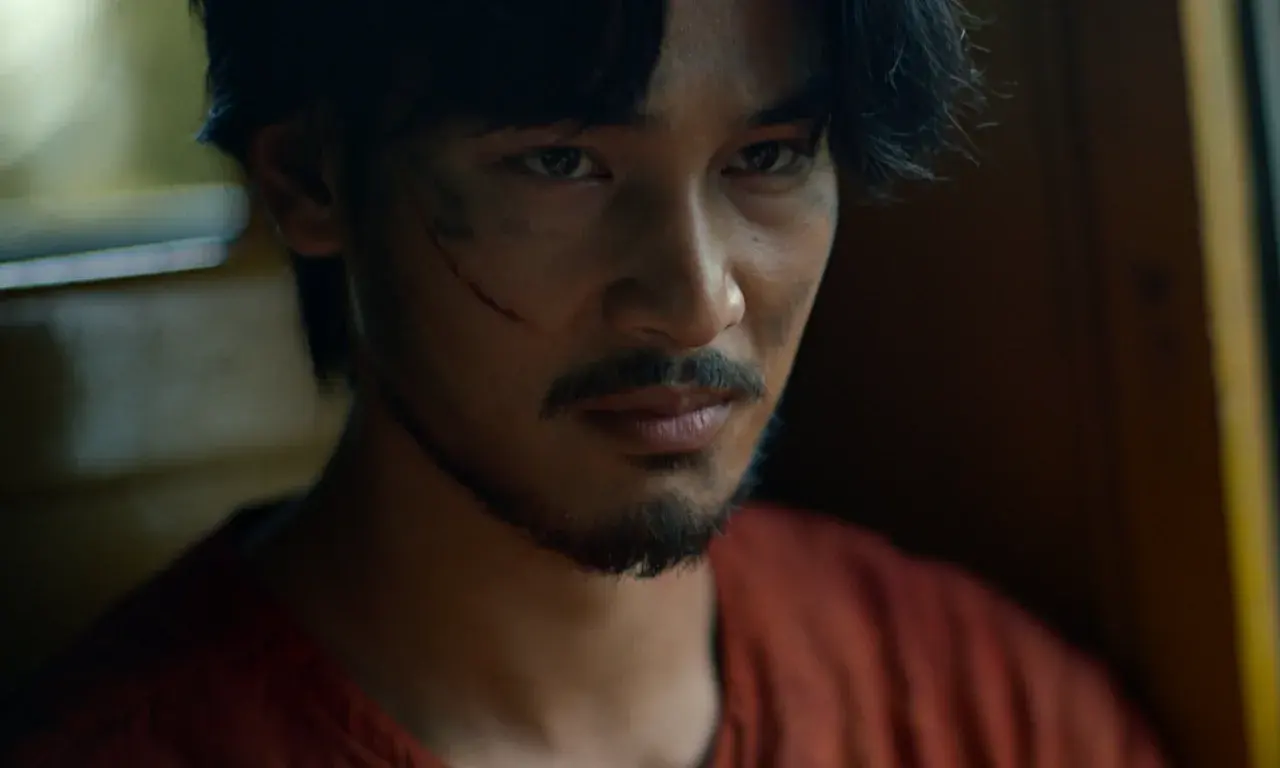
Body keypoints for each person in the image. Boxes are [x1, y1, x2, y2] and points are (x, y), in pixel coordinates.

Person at [2, 0, 1169, 765]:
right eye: (560, 163)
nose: (696, 299)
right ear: (311, 179)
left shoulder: (988, 711)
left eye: (765, 158)